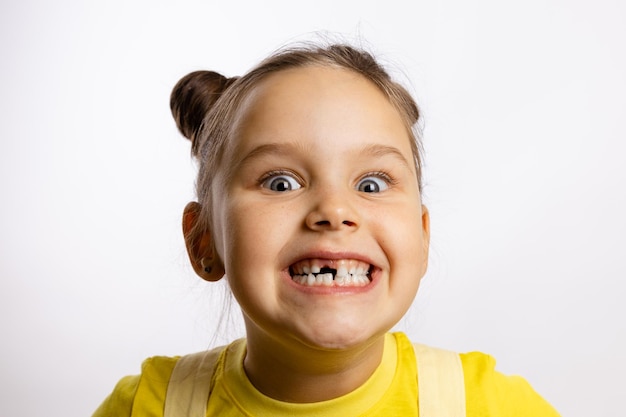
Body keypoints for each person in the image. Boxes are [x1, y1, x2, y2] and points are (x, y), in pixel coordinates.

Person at [93, 42, 560, 416]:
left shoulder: (495, 407)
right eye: (280, 182)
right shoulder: (144, 409)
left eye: (372, 183)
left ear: (421, 237)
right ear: (204, 242)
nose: (335, 211)